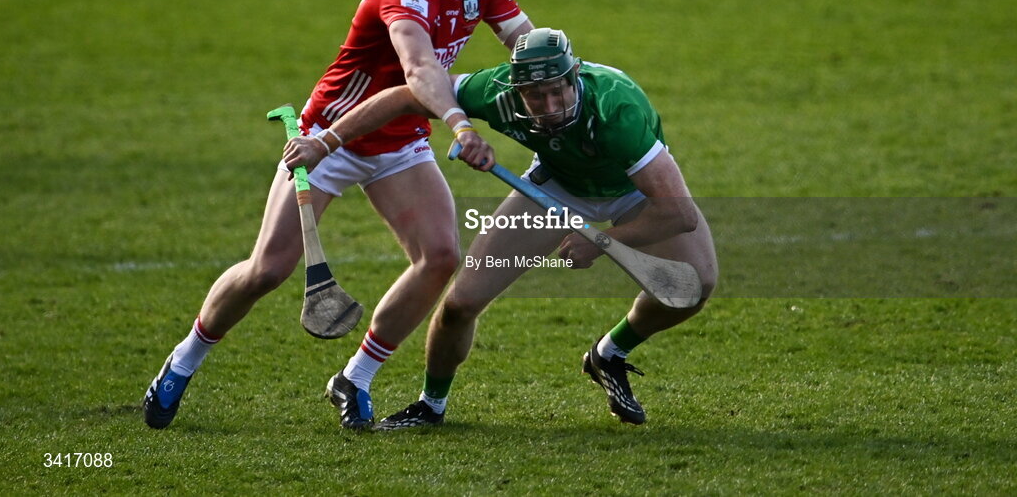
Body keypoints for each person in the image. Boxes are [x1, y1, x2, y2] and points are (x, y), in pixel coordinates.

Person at [143, 0, 534, 430]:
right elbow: (420, 71)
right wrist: (460, 125)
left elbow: (523, 38)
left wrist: (561, 73)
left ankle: (356, 376)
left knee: (440, 255)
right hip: (331, 136)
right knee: (268, 269)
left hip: (399, 141)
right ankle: (183, 361)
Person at [282, 27, 719, 428]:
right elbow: (403, 96)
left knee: (692, 288)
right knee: (459, 305)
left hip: (636, 192)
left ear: (575, 77)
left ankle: (609, 353)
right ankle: (431, 405)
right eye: (535, 97)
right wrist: (326, 142)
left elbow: (678, 213)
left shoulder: (616, 108)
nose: (548, 108)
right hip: (558, 188)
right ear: (517, 91)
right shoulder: (497, 92)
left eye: (556, 93)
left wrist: (602, 243)